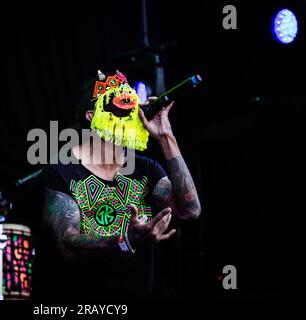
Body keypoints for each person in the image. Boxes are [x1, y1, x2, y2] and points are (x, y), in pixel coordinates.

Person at [35, 70, 201, 302]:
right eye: (120, 101)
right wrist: (125, 239)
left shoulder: (147, 170)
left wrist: (166, 137)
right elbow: (67, 241)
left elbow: (189, 210)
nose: (132, 108)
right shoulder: (61, 170)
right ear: (92, 116)